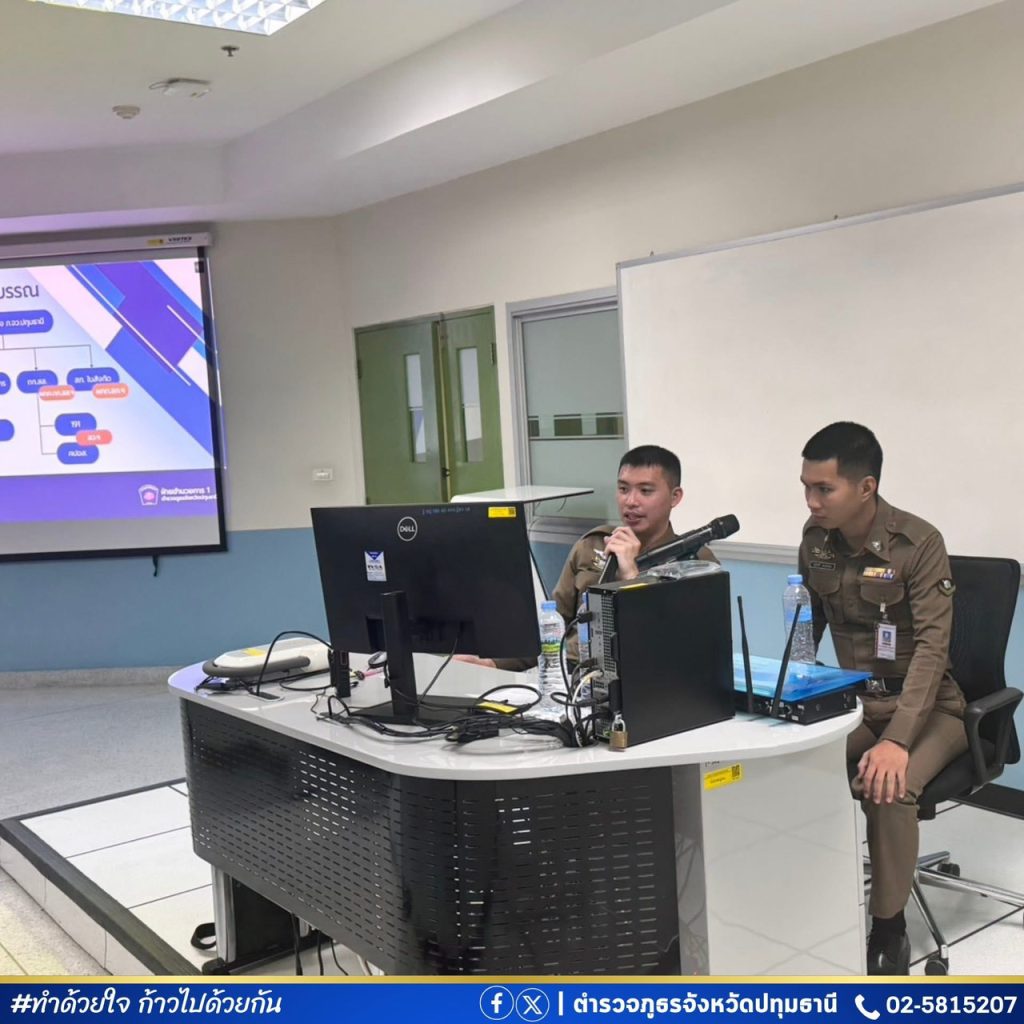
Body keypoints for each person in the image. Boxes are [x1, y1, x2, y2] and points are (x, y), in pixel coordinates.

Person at [798, 422, 966, 975]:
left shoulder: (918, 543)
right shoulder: (816, 540)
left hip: (931, 707)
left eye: (824, 489)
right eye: (807, 487)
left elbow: (933, 651)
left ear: (865, 487)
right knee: (787, 764)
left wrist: (897, 740)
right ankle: (799, 894)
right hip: (855, 702)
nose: (812, 501)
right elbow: (807, 629)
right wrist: (792, 698)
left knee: (888, 787)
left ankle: (888, 932)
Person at [461, 444, 718, 671]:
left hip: (642, 682)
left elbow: (679, 646)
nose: (631, 501)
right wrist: (496, 663)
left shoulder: (695, 564)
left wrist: (631, 577)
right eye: (623, 489)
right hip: (572, 675)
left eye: (645, 491)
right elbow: (553, 626)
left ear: (675, 497)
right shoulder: (592, 545)